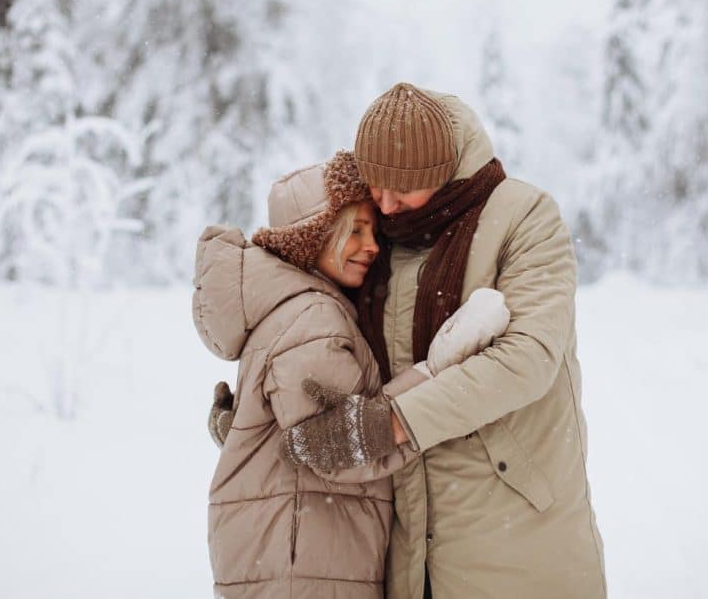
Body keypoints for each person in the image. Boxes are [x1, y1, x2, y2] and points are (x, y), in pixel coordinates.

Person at [281, 83, 607, 598]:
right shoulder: (379, 236)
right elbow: (321, 339)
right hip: (406, 540)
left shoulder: (525, 217)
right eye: (375, 187)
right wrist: (260, 421)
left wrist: (389, 423)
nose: (385, 206)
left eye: (401, 188)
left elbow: (527, 359)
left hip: (515, 530)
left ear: (438, 173)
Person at [193, 150, 509, 598]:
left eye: (373, 231)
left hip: (286, 547)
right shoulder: (313, 316)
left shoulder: (287, 306)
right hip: (305, 558)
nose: (373, 246)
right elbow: (338, 445)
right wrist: (441, 366)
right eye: (354, 230)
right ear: (312, 237)